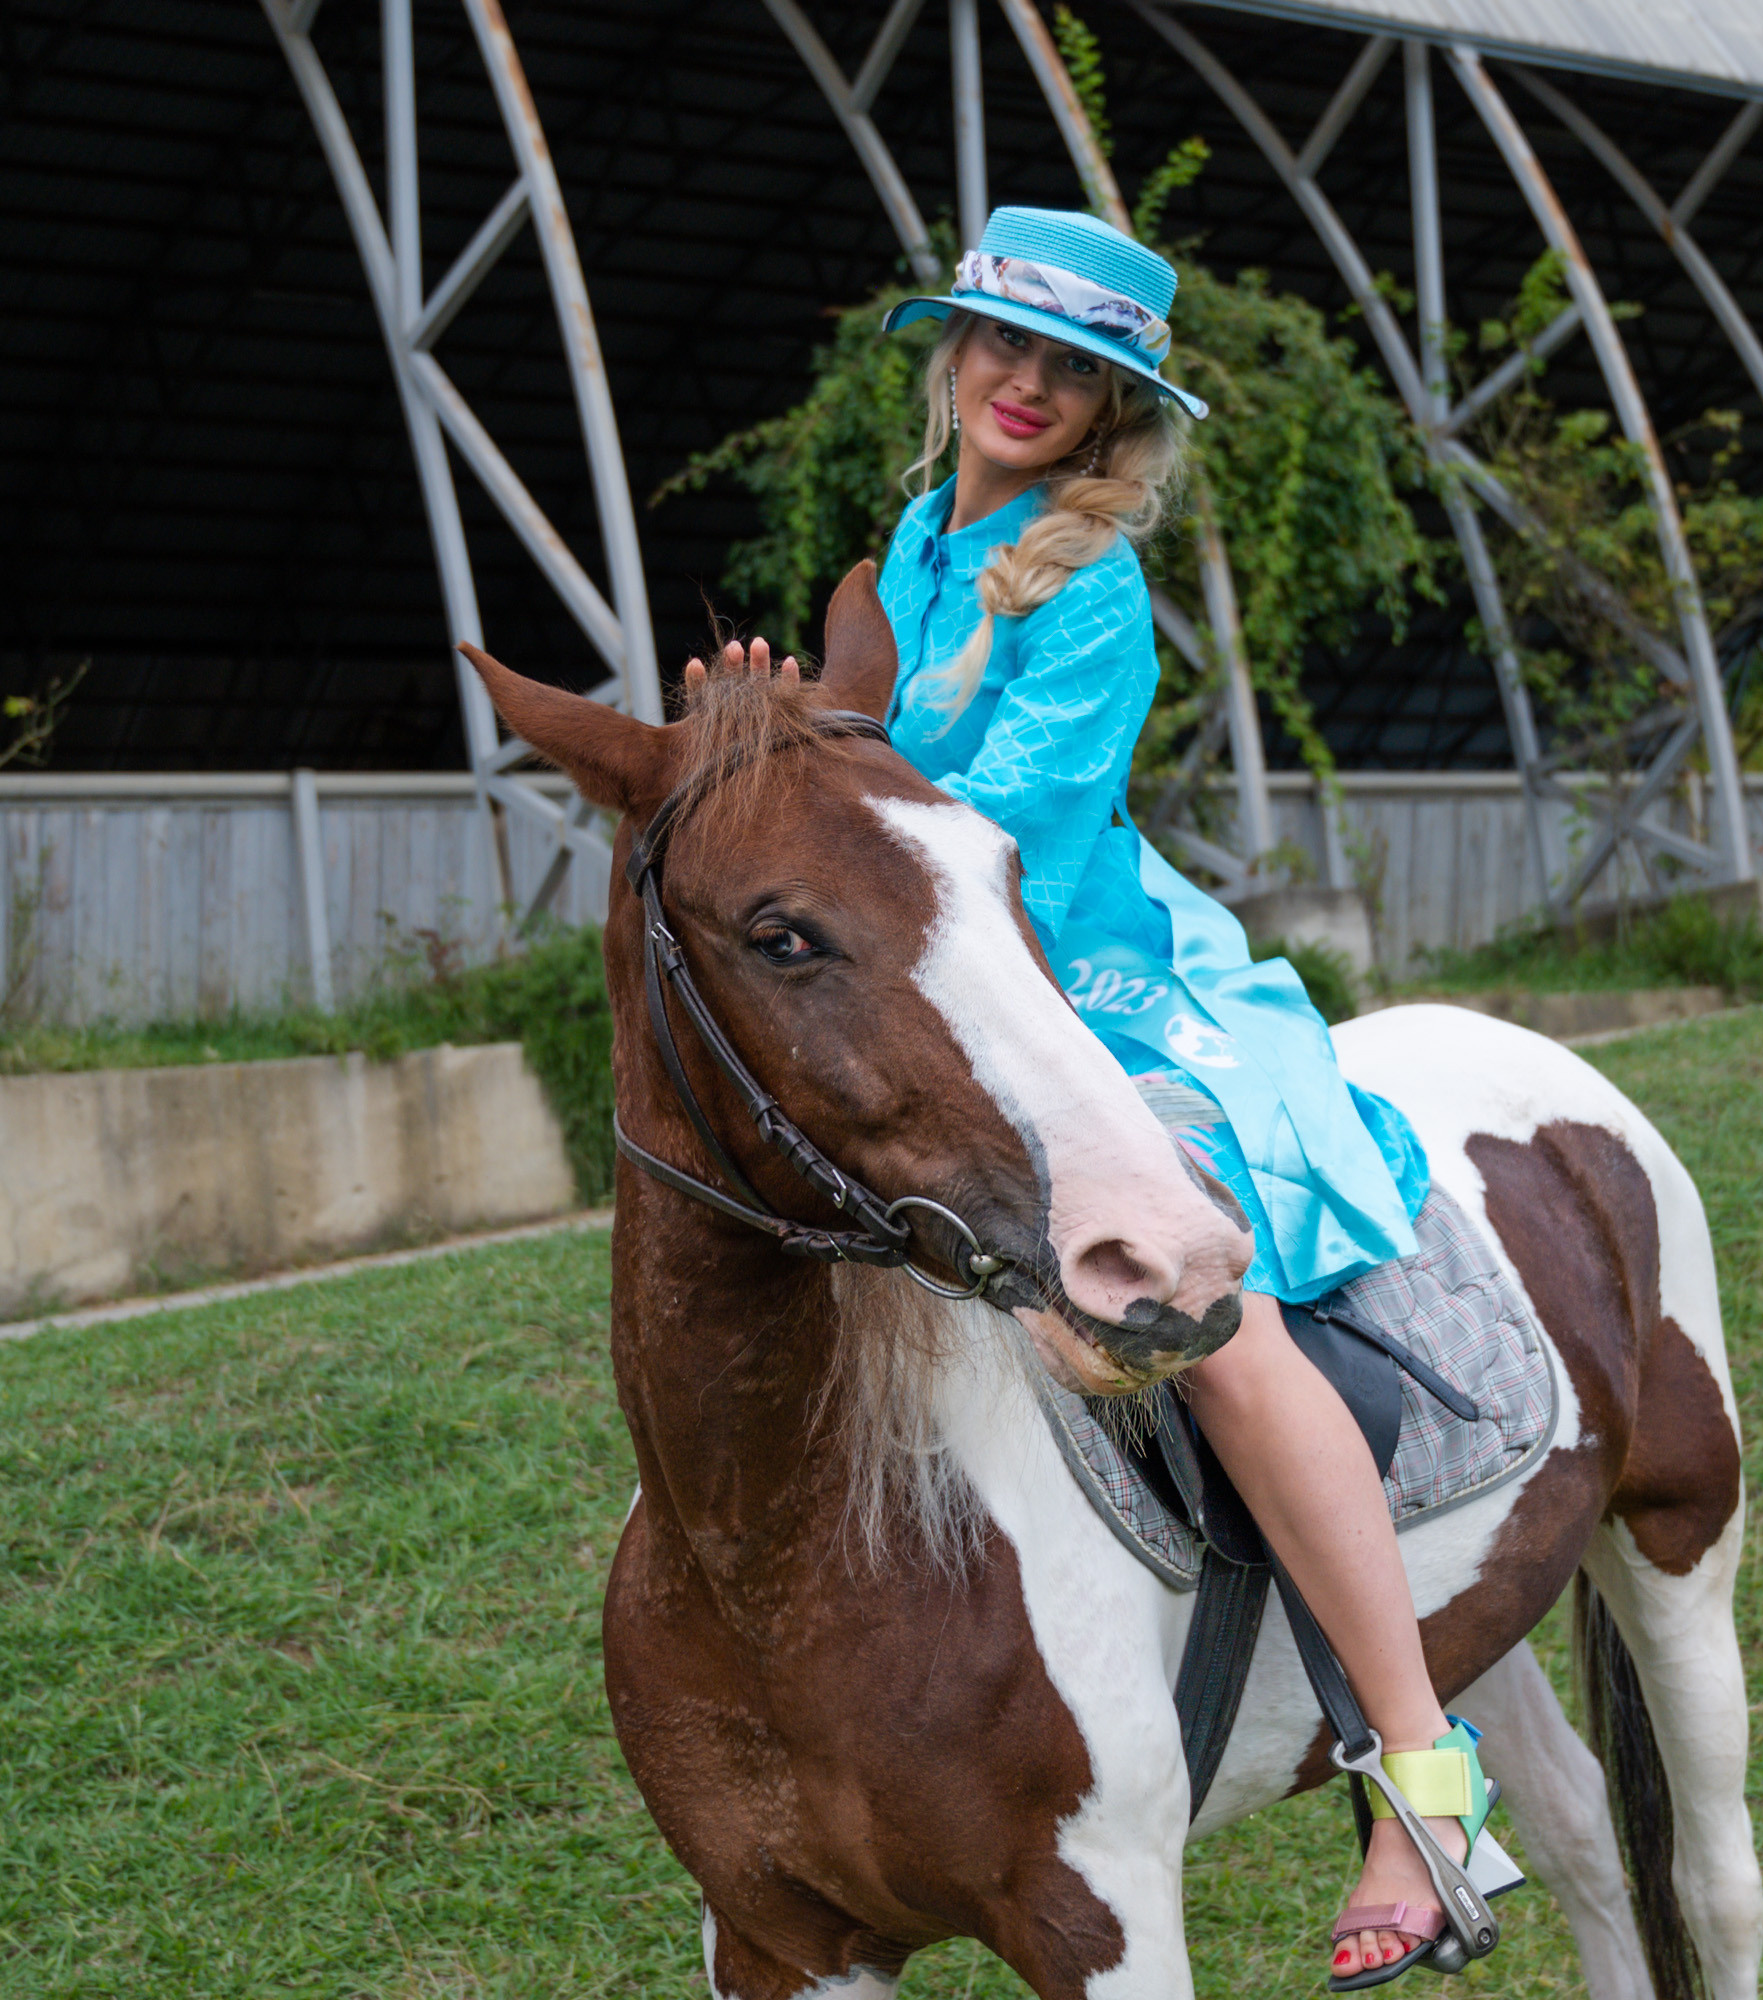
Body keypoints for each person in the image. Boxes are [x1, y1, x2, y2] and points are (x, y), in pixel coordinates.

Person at [713, 208, 1502, 1991]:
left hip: (1080, 986)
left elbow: (998, 846)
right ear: (955, 354)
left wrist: (824, 793)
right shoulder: (910, 553)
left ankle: (1424, 1770)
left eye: (1073, 369)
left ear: (1111, 412)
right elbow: (858, 803)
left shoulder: (1092, 591)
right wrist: (761, 747)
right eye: (1005, 343)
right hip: (942, 991)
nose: (1028, 383)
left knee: (1213, 1325)